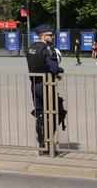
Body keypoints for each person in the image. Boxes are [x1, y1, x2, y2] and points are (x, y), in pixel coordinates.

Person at [25, 24, 66, 155]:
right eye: (49, 35)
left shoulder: (31, 48)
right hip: (46, 86)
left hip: (34, 85)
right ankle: (49, 144)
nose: (51, 37)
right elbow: (54, 68)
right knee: (57, 112)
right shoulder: (47, 49)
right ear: (43, 36)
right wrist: (60, 70)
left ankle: (42, 145)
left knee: (40, 114)